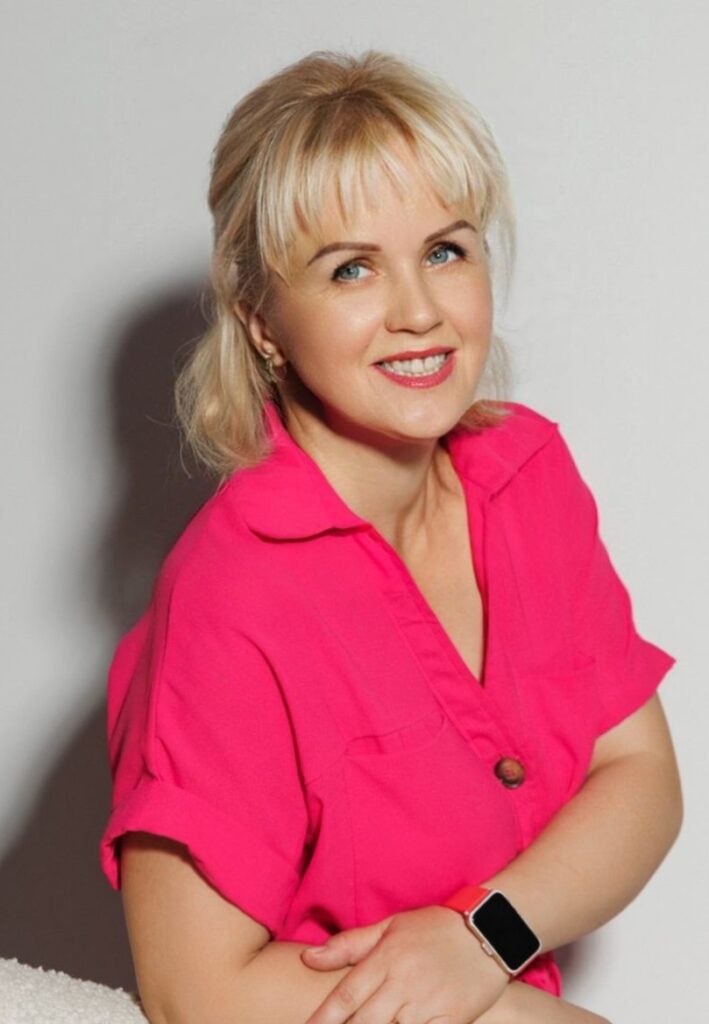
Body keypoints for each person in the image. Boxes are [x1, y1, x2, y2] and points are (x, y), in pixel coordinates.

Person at [99, 49, 682, 1024]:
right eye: (352, 268)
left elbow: (640, 775)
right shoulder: (231, 597)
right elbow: (195, 993)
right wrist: (513, 1011)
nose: (418, 311)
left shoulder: (527, 474)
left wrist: (485, 936)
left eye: (445, 250)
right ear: (261, 320)